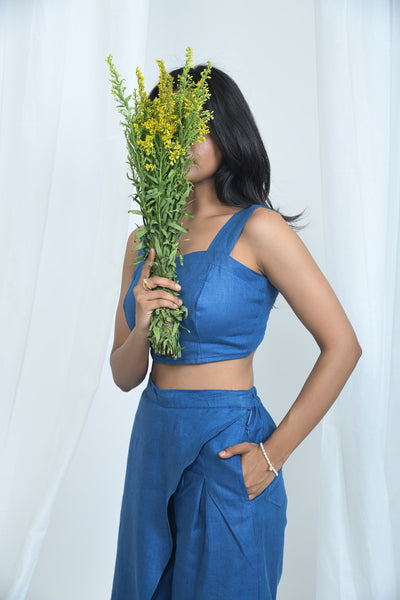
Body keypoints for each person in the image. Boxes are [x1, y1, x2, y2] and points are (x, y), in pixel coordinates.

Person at [109, 65, 362, 600]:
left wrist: (273, 455)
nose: (183, 140)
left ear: (227, 129)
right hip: (152, 444)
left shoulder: (259, 229)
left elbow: (343, 346)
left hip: (227, 447)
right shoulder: (143, 240)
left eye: (196, 125)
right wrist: (142, 325)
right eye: (169, 127)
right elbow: (124, 375)